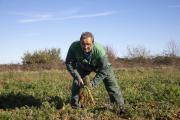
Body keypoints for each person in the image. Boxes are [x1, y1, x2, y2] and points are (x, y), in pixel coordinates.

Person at [65, 32, 125, 113]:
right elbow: (69, 63)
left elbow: (105, 69)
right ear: (80, 43)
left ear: (92, 43)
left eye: (88, 44)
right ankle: (75, 107)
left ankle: (120, 108)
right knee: (76, 83)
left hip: (101, 67)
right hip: (83, 66)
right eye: (83, 44)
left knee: (112, 85)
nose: (85, 47)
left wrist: (93, 83)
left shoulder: (99, 50)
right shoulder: (74, 47)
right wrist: (77, 77)